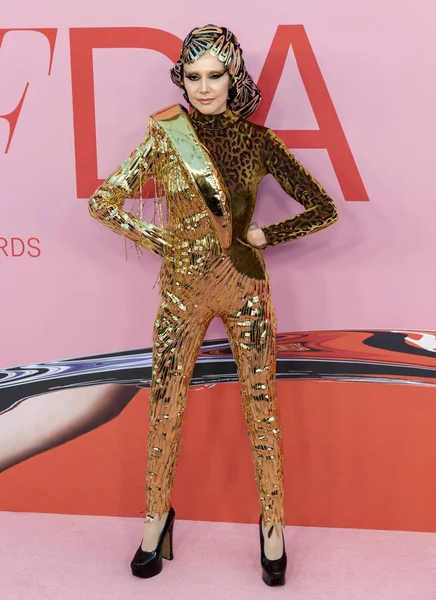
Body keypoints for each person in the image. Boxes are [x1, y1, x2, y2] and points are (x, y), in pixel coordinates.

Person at [88, 24, 338, 586]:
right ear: (183, 79)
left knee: (261, 407)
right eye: (193, 76)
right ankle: (155, 520)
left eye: (215, 75)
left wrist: (268, 236)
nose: (204, 88)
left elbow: (323, 207)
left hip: (245, 286)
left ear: (234, 77)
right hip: (181, 290)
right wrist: (162, 241)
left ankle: (272, 526)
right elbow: (104, 202)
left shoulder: (258, 141)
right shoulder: (164, 135)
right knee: (165, 406)